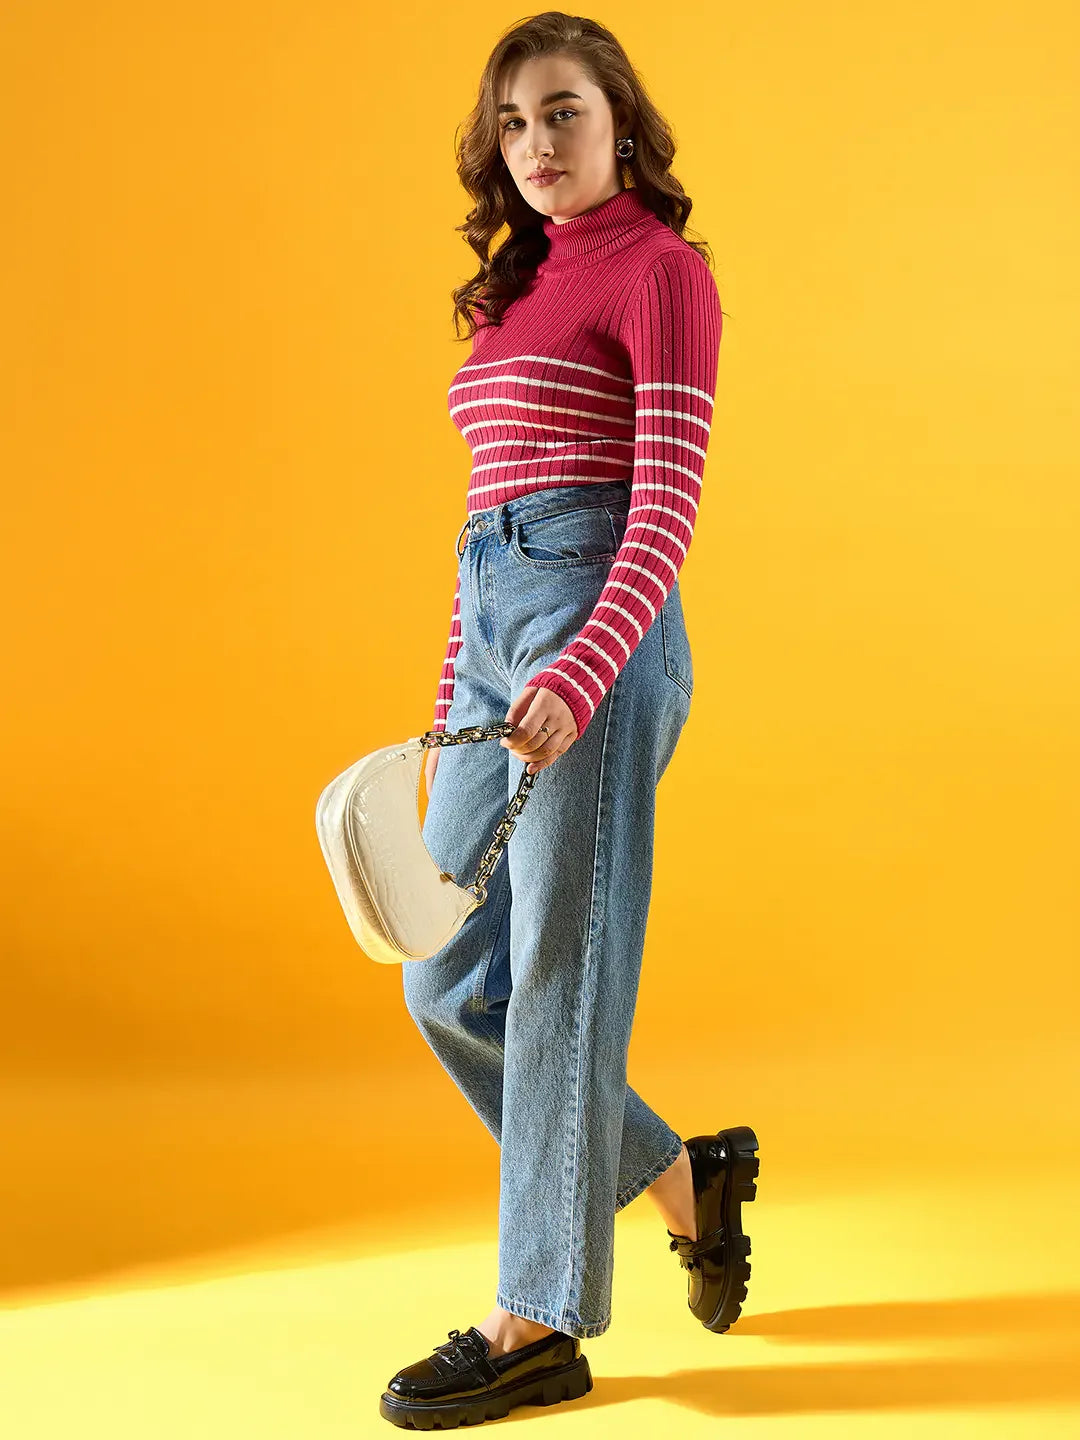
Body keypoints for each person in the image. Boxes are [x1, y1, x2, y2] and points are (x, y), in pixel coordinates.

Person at [380, 14, 760, 1430]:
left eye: (565, 115)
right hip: (498, 636)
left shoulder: (663, 275)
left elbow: (664, 502)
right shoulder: (513, 293)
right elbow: (485, 533)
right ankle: (683, 1178)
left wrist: (584, 669)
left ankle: (536, 1322)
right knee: (442, 977)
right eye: (518, 123)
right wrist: (449, 712)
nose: (539, 145)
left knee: (559, 979)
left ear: (620, 124)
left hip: (600, 630)